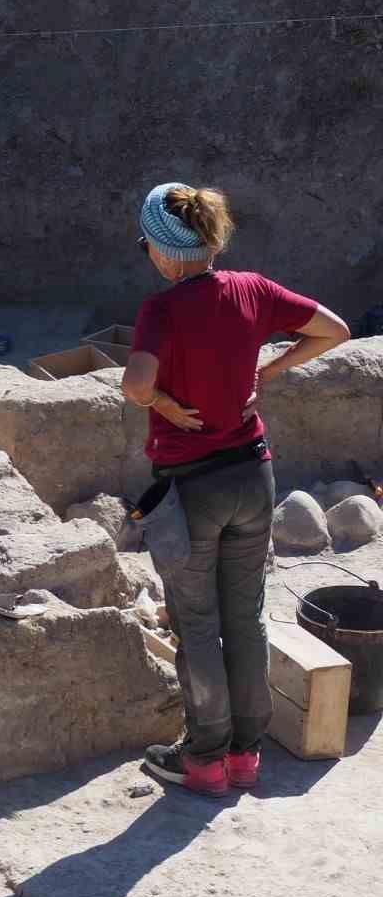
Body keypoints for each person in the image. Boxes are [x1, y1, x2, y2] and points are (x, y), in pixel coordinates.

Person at [123, 183, 349, 795]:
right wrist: (268, 370)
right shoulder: (252, 289)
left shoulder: (161, 311)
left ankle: (202, 759)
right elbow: (334, 329)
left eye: (147, 244)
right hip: (254, 473)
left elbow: (134, 384)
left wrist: (165, 403)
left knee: (197, 624)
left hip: (192, 488)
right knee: (245, 618)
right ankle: (246, 757)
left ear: (167, 255)